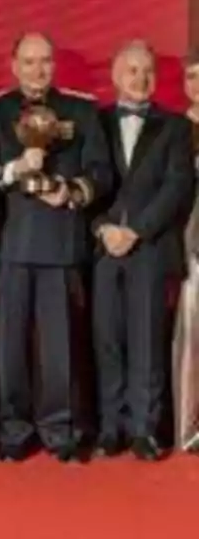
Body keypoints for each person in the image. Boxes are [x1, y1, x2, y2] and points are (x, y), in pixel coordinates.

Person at [0, 32, 110, 462]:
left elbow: (101, 174)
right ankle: (13, 431)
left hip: (61, 244)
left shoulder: (82, 110)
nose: (38, 71)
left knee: (60, 348)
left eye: (45, 62)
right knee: (9, 347)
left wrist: (70, 191)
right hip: (11, 244)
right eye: (29, 62)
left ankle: (60, 431)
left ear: (55, 65)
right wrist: (15, 170)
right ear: (13, 65)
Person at [91, 41, 191, 461]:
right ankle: (110, 427)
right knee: (108, 339)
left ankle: (144, 430)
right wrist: (103, 229)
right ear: (116, 76)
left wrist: (136, 231)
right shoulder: (94, 122)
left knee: (147, 339)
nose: (140, 78)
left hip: (148, 246)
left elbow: (177, 188)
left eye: (147, 70)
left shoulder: (175, 127)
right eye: (131, 70)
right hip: (103, 247)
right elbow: (88, 181)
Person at [176, 50, 199, 453]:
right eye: (192, 77)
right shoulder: (173, 129)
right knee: (191, 332)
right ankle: (189, 427)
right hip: (189, 242)